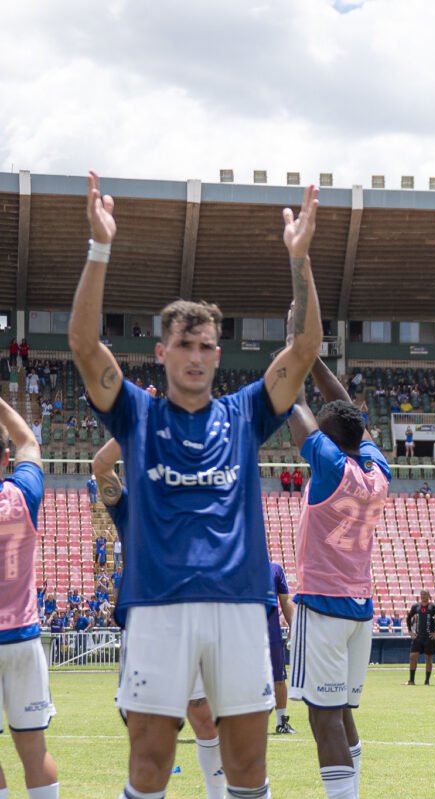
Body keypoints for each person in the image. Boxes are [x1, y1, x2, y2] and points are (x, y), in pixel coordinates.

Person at [70, 172, 322, 799]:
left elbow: (307, 344)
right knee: (150, 763)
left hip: (240, 605)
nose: (197, 356)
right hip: (157, 605)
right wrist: (99, 249)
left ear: (217, 354)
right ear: (163, 352)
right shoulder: (136, 414)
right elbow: (82, 343)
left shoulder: (246, 412)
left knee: (246, 768)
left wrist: (300, 258)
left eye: (207, 345)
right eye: (185, 344)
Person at [92, 438, 227, 799]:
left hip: (193, 619)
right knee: (149, 739)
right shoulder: (130, 503)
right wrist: (132, 429)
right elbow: (100, 467)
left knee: (205, 719)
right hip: (147, 628)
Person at [285, 355, 390, 798]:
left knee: (322, 717)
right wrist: (312, 359)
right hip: (359, 609)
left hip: (323, 606)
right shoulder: (376, 470)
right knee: (342, 711)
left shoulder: (328, 468)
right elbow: (345, 411)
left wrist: (294, 357)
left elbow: (294, 407)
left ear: (327, 440)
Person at [0, 395, 59, 798]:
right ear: (4, 461)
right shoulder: (21, 495)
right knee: (34, 751)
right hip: (22, 637)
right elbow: (29, 443)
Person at [268, 562, 295, 735]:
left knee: (279, 678)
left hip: (272, 632)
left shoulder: (275, 569)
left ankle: (281, 721)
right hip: (244, 632)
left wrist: (293, 628)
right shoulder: (238, 567)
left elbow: (285, 600)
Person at [407, 591, 435, 686]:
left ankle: (427, 681)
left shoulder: (434, 607)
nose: (423, 596)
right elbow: (408, 618)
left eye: (425, 594)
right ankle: (411, 680)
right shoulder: (416, 606)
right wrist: (410, 631)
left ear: (429, 596)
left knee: (428, 658)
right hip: (418, 636)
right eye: (421, 595)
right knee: (413, 656)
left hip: (429, 637)